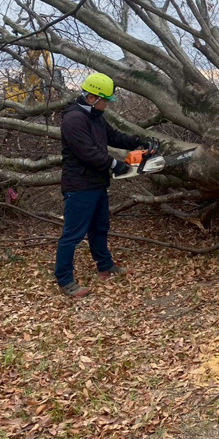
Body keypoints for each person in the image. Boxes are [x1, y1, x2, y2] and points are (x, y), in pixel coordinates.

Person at [54, 72, 155, 298]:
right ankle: (65, 280)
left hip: (97, 183)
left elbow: (113, 137)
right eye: (105, 100)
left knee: (100, 228)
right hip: (79, 185)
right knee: (73, 234)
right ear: (92, 98)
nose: (107, 105)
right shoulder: (74, 119)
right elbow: (87, 153)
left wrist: (137, 141)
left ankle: (105, 266)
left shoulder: (96, 116)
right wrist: (115, 164)